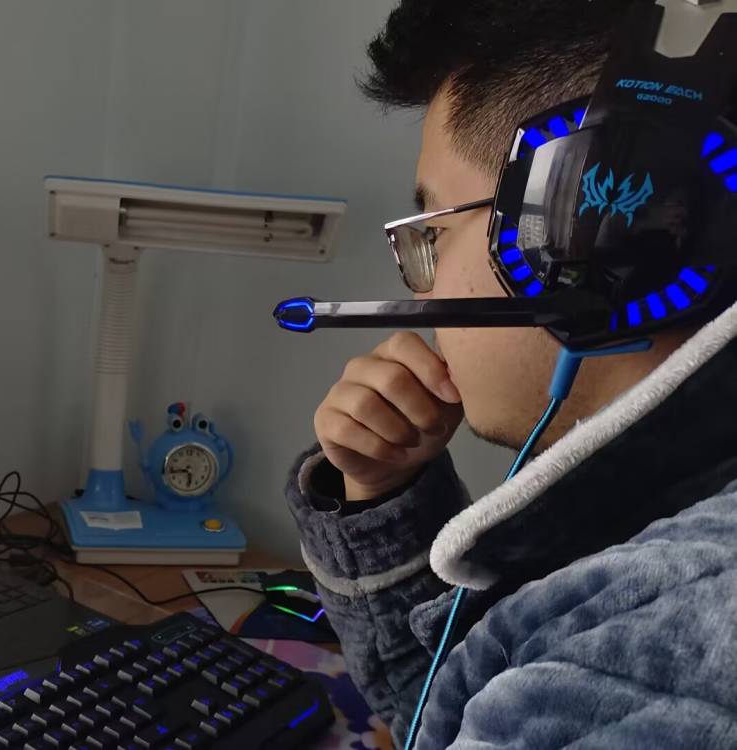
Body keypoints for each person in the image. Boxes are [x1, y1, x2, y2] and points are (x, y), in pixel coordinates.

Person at [285, 2, 737, 747]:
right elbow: (446, 710)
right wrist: (382, 492)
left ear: (581, 233)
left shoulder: (664, 648)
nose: (422, 288)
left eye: (433, 232)